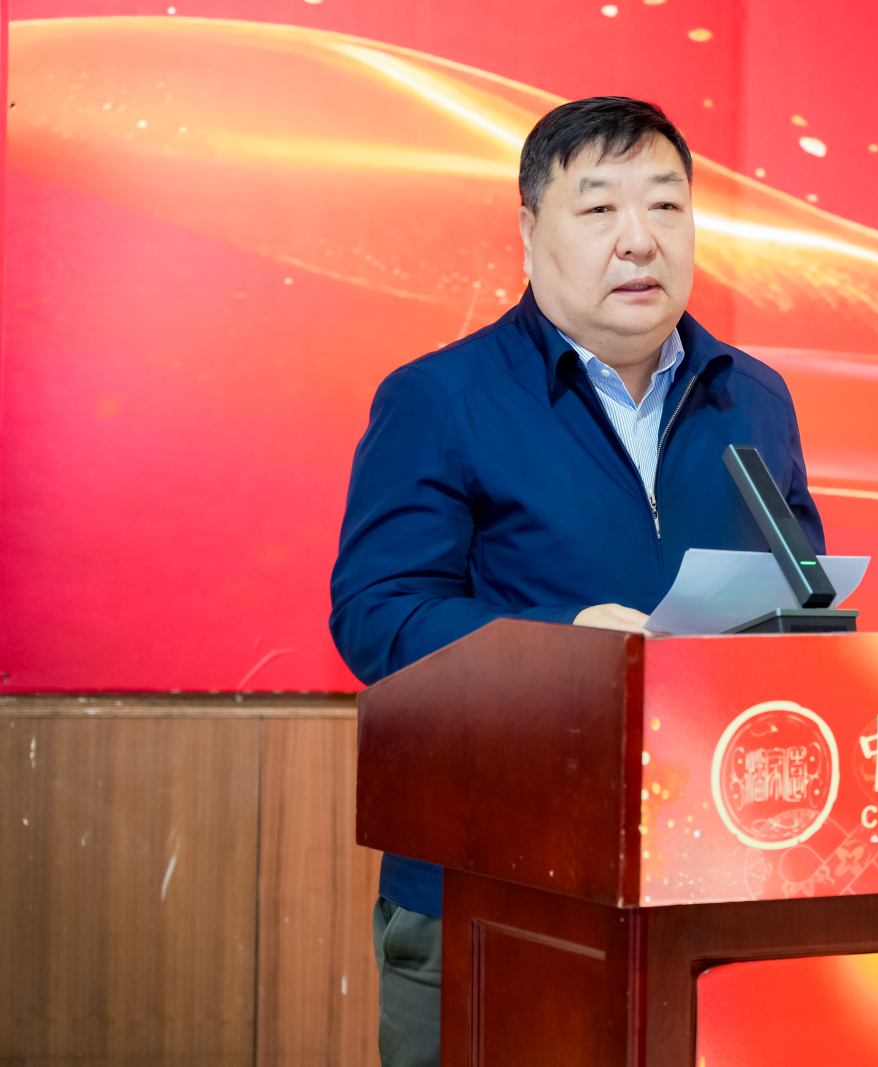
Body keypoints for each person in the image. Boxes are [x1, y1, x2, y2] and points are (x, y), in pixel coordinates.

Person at [328, 97, 825, 1067]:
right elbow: (379, 614)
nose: (639, 239)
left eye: (666, 205)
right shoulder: (441, 399)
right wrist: (564, 645)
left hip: (709, 879)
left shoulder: (753, 397)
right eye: (599, 209)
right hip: (493, 889)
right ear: (528, 230)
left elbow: (801, 601)